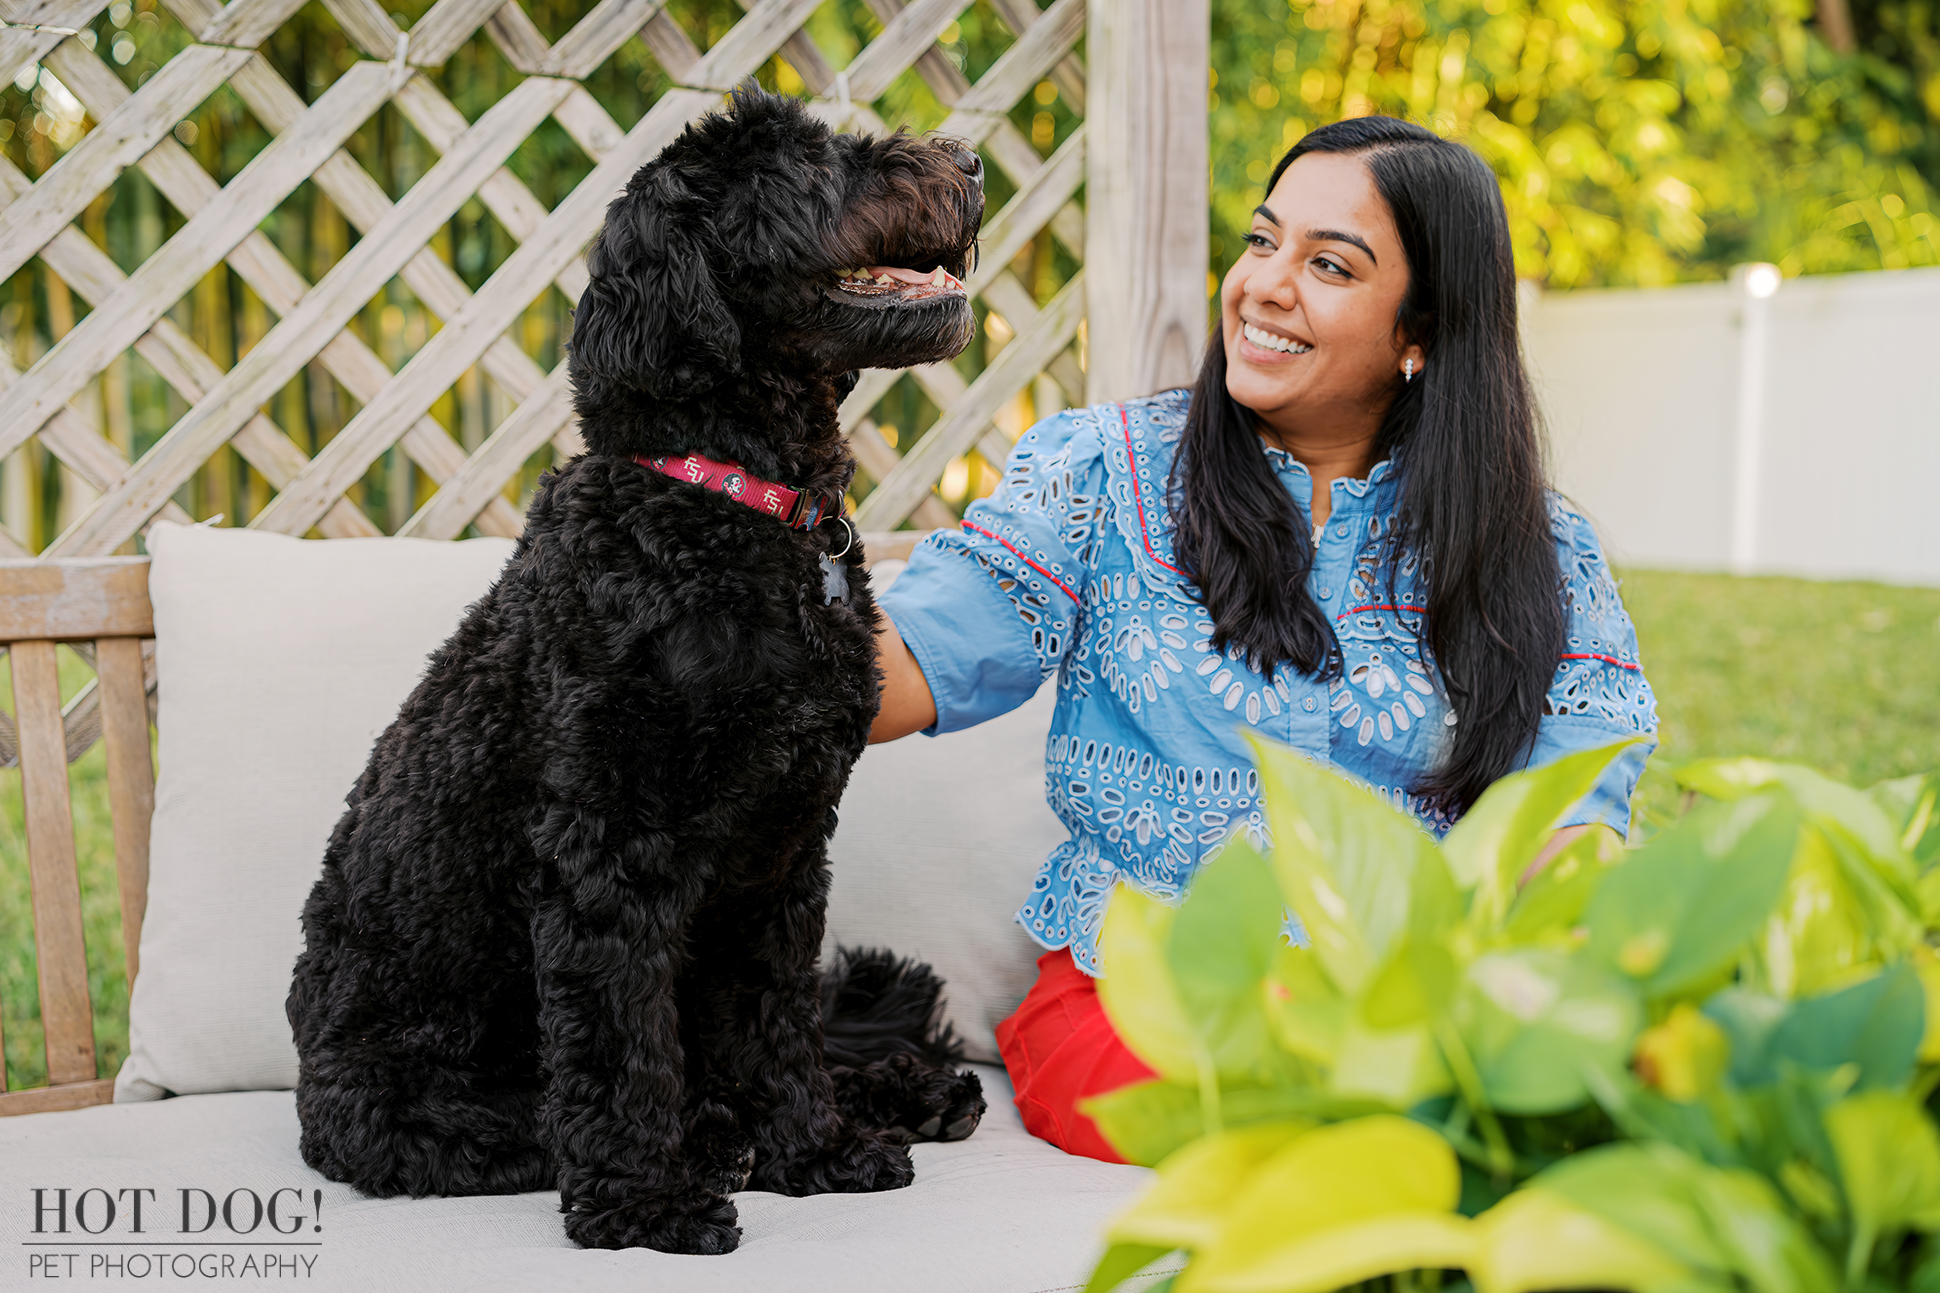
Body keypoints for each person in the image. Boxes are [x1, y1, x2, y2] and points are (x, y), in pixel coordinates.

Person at [868, 116, 1659, 1163]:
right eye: (1259, 241)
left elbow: (1565, 822)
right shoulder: (1102, 474)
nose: (1263, 286)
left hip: (1401, 1011)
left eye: (1328, 264)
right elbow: (901, 670)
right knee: (1336, 1127)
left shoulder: (1537, 550)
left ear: (1420, 332)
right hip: (1140, 1005)